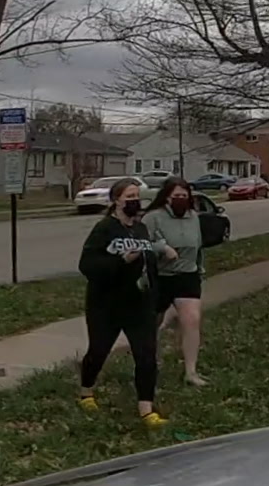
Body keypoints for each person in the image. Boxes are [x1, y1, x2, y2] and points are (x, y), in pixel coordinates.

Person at [72, 192, 171, 421]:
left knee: (146, 355)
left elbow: (149, 266)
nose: (135, 200)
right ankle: (86, 391)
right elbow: (87, 265)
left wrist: (155, 287)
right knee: (98, 351)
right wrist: (121, 261)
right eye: (130, 196)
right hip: (106, 305)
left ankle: (146, 410)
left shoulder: (141, 229)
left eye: (137, 195)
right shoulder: (104, 229)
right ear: (117, 200)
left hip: (140, 304)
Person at [144, 175, 229, 391]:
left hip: (188, 275)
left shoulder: (193, 217)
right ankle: (149, 365)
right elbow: (141, 244)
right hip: (161, 277)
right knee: (153, 324)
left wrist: (199, 269)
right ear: (166, 197)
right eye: (176, 196)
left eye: (184, 195)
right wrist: (162, 248)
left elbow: (198, 245)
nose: (181, 199)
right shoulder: (153, 218)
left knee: (192, 320)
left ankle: (191, 372)